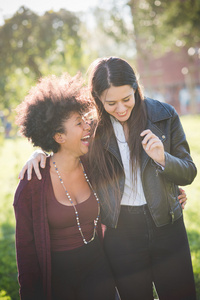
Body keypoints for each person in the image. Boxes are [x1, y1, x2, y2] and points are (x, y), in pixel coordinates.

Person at [19, 57, 197, 300]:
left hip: (168, 226)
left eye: (127, 99)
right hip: (121, 232)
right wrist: (39, 153)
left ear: (136, 88)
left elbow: (188, 171)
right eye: (111, 103)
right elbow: (66, 148)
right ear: (98, 99)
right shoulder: (93, 129)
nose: (121, 109)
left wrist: (163, 159)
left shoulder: (164, 115)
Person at [14, 73, 116, 300]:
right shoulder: (32, 183)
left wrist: (167, 190)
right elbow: (26, 254)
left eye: (85, 120)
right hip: (58, 282)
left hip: (99, 273)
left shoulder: (93, 164)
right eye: (79, 124)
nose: (87, 126)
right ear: (59, 136)